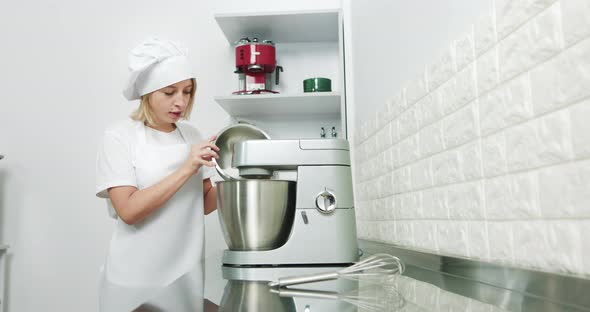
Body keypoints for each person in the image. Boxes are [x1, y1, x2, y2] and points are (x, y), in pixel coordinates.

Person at [95, 37, 219, 301]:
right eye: (169, 92)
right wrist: (187, 167)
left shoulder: (192, 134)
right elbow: (128, 211)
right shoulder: (119, 136)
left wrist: (239, 174)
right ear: (148, 93)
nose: (181, 102)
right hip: (134, 281)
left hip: (186, 276)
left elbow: (203, 203)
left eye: (187, 91)